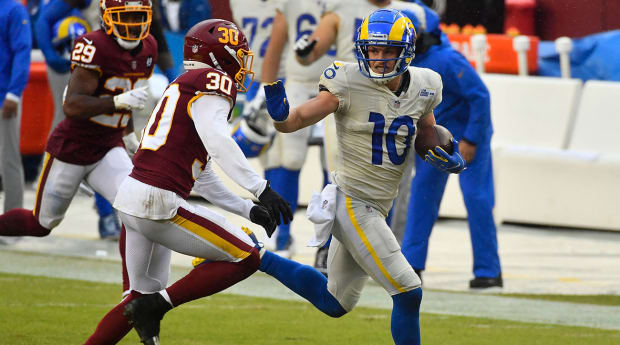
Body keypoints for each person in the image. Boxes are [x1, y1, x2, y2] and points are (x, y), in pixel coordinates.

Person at [259, 9, 464, 344]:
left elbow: (427, 131)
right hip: (353, 202)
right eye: (373, 50)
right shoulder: (347, 81)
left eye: (388, 51)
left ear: (407, 51)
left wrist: (445, 151)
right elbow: (296, 120)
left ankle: (258, 258)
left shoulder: (426, 85)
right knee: (409, 291)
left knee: (334, 301)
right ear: (363, 49)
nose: (379, 58)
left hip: (378, 205)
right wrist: (281, 116)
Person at [84, 19, 292, 345]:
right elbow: (219, 141)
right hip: (158, 202)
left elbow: (203, 175)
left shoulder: (181, 85)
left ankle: (146, 308)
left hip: (131, 198)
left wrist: (246, 209)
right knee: (246, 255)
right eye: (237, 54)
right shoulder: (213, 81)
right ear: (219, 56)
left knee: (136, 299)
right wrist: (260, 188)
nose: (241, 63)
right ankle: (158, 306)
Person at [0, 0, 157, 296]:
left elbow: (126, 96)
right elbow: (72, 105)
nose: (134, 23)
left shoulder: (148, 47)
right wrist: (116, 103)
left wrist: (128, 135)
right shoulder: (93, 45)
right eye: (126, 16)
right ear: (107, 18)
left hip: (108, 145)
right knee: (41, 223)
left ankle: (132, 294)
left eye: (139, 16)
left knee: (135, 211)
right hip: (73, 145)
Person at [399, 8, 502, 288]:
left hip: (469, 136)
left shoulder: (446, 59)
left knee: (476, 198)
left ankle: (488, 271)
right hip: (436, 140)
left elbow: (480, 96)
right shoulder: (409, 63)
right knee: (422, 198)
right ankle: (412, 265)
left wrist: (471, 140)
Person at [255, 0, 335, 260]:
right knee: (289, 160)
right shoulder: (290, 3)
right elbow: (275, 49)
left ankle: (327, 243)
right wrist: (265, 91)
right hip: (299, 84)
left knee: (334, 167)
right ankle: (282, 236)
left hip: (339, 86)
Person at [0, 0, 31, 215]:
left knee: (8, 159)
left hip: (3, 96)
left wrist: (14, 93)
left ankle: (13, 219)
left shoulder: (13, 9)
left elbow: (23, 50)